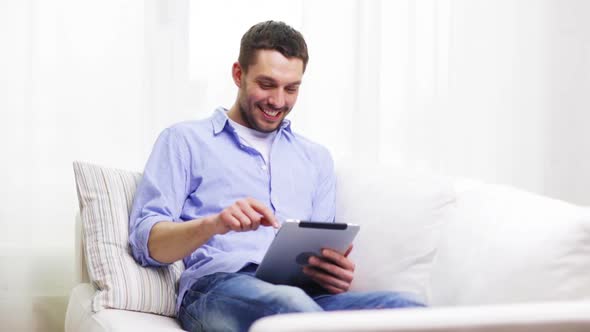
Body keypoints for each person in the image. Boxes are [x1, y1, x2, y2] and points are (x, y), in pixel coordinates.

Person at [129, 20, 424, 332]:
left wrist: (330, 274)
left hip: (305, 299)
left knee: (408, 310)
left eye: (291, 88)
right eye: (267, 85)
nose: (278, 101)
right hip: (219, 289)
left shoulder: (316, 159)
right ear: (238, 74)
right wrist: (214, 224)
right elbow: (147, 246)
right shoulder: (185, 140)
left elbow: (320, 254)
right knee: (289, 309)